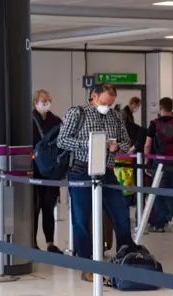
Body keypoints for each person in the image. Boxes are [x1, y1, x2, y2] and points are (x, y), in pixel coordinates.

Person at [56, 83, 133, 261]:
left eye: (111, 103)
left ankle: (126, 250)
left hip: (107, 170)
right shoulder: (77, 113)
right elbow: (62, 141)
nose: (108, 107)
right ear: (95, 96)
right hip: (81, 169)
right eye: (105, 102)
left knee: (120, 211)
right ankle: (86, 257)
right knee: (81, 217)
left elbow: (126, 143)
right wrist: (89, 144)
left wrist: (117, 147)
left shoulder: (115, 116)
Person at [144, 97, 173, 232]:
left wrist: (146, 163)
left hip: (159, 165)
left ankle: (159, 224)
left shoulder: (154, 124)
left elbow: (147, 145)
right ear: (172, 108)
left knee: (158, 195)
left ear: (160, 108)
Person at [31, 89, 63, 254]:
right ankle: (32, 242)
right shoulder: (28, 120)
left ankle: (50, 242)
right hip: (33, 170)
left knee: (48, 207)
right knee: (34, 208)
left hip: (51, 170)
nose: (47, 104)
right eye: (44, 101)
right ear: (36, 103)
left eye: (49, 100)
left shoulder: (56, 121)